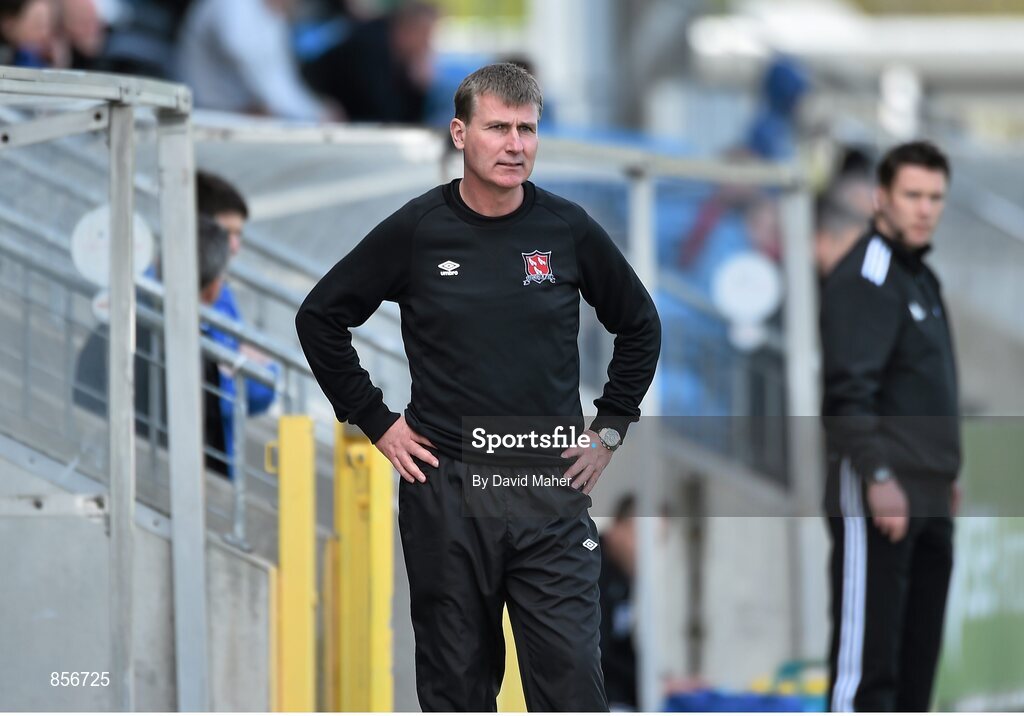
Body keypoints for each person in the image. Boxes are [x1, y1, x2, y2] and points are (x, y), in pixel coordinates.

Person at [296, 62, 661, 711]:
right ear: (461, 133)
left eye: (527, 129)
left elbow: (639, 324)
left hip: (548, 487)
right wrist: (375, 421)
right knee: (456, 688)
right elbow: (321, 317)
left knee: (574, 680)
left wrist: (608, 428)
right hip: (448, 490)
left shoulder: (567, 229)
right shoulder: (417, 229)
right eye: (499, 128)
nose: (515, 143)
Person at [820, 141, 960, 712]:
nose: (924, 208)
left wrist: (946, 472)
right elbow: (848, 393)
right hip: (882, 490)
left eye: (935, 197)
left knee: (915, 671)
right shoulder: (866, 277)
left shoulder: (921, 278)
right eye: (912, 195)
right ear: (881, 197)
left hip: (929, 491)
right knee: (868, 671)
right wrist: (878, 474)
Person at [73, 217, 233, 477]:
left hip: (101, 462)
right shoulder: (198, 351)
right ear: (213, 288)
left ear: (158, 264)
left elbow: (82, 390)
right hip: (166, 481)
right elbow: (209, 438)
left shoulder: (117, 326)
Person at [195, 171, 279, 476]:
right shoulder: (158, 288)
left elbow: (261, 392)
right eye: (226, 232)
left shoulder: (223, 294)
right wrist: (243, 368)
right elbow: (221, 398)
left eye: (238, 234)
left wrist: (248, 371)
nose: (234, 246)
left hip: (218, 465)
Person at [176, 0, 330, 121]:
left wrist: (317, 111)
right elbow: (245, 60)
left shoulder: (273, 16)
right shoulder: (231, 5)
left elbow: (282, 79)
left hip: (243, 116)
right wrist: (311, 113)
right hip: (204, 114)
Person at [301, 1, 437, 124]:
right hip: (307, 94)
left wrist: (419, 87)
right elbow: (385, 114)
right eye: (424, 35)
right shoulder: (372, 46)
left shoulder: (394, 51)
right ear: (407, 30)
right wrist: (416, 88)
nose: (426, 45)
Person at [599, 494, 639, 711]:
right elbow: (598, 651)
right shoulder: (589, 567)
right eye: (643, 538)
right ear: (619, 528)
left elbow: (622, 645)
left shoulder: (622, 575)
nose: (650, 552)